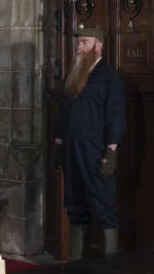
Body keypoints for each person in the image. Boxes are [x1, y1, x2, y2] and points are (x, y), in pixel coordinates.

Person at [52, 27, 126, 258]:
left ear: (99, 46)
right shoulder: (73, 75)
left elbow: (116, 115)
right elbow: (63, 114)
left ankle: (110, 267)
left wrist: (111, 151)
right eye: (78, 43)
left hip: (96, 152)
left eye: (84, 42)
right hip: (72, 151)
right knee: (75, 206)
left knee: (104, 206)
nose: (79, 47)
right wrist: (58, 146)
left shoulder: (109, 76)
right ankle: (76, 265)